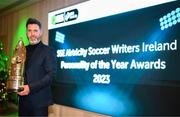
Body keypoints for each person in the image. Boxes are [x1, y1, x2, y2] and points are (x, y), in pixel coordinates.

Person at [17, 18, 57, 116]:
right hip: (23, 101)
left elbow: (51, 76)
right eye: (29, 31)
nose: (32, 34)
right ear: (26, 33)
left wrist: (30, 88)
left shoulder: (48, 51)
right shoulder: (22, 50)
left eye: (35, 30)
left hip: (39, 103)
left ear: (40, 32)